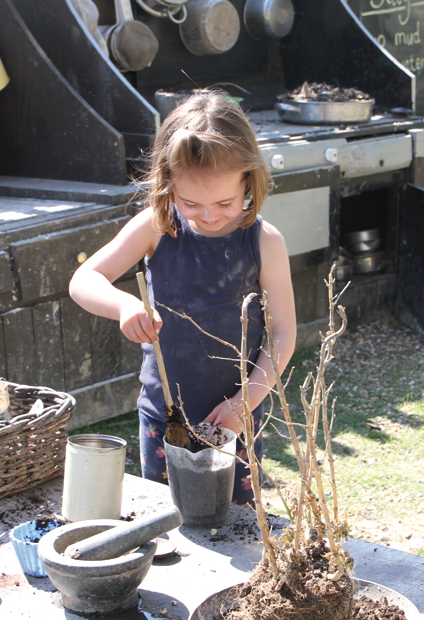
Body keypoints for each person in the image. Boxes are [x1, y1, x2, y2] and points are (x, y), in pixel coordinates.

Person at [68, 91, 296, 505]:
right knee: (167, 520)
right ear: (167, 183)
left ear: (249, 179)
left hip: (235, 420)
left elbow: (282, 335)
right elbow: (84, 279)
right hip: (163, 418)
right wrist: (124, 306)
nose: (209, 215)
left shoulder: (264, 242)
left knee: (235, 523)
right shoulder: (157, 227)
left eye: (225, 202)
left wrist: (245, 403)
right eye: (190, 202)